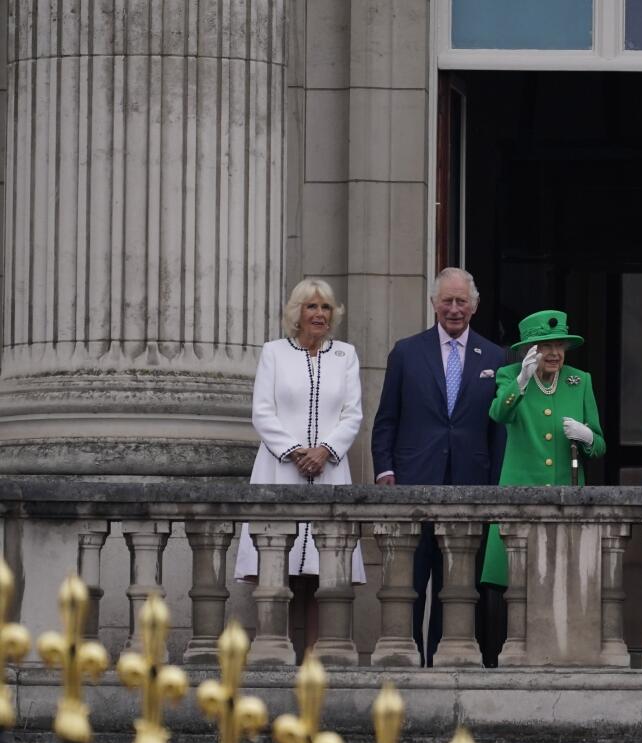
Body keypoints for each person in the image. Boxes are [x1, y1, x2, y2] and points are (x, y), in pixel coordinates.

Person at [371, 267, 506, 667]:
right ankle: (410, 663)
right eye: (446, 300)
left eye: (461, 301)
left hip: (470, 488)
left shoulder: (495, 357)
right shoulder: (406, 352)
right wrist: (384, 471)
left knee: (457, 587)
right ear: (433, 303)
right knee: (410, 586)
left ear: (474, 306)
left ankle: (448, 663)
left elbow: (498, 431)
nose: (453, 308)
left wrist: (497, 488)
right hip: (414, 486)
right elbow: (386, 420)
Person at [234, 278, 365, 657]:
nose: (320, 314)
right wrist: (294, 451)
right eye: (312, 307)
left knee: (322, 569)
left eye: (325, 307)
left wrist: (325, 451)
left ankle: (316, 656)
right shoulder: (274, 353)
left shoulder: (346, 354)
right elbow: (262, 411)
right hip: (280, 470)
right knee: (280, 565)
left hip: (329, 470)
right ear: (297, 313)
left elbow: (352, 414)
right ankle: (276, 651)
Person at [485, 311, 606, 605]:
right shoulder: (510, 376)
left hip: (567, 503)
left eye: (559, 346)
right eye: (545, 346)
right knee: (518, 590)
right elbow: (499, 414)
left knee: (563, 590)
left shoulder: (580, 381)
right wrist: (522, 381)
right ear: (530, 350)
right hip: (520, 499)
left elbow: (599, 445)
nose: (554, 353)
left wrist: (588, 437)